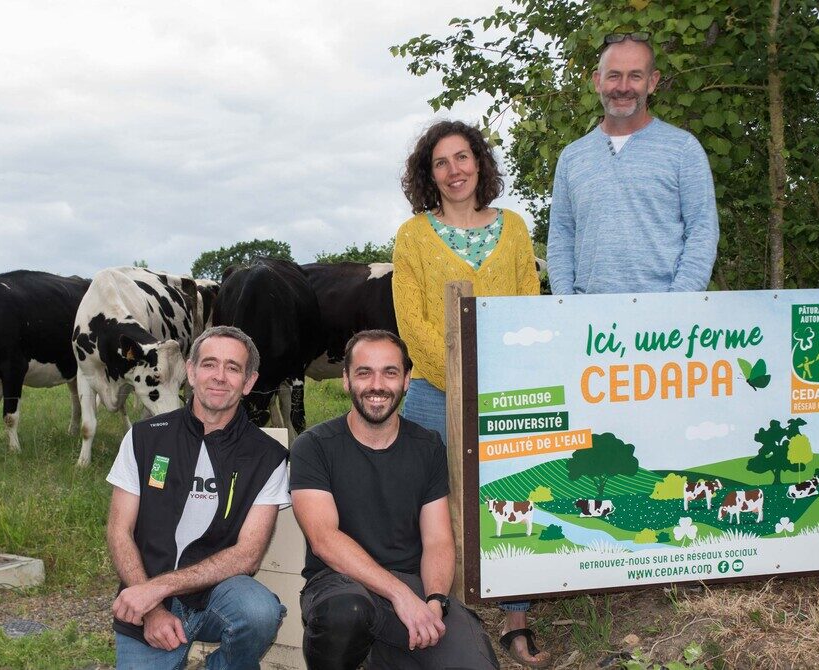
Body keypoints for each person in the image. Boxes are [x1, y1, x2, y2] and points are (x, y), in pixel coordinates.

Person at [392, 120, 547, 668]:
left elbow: (529, 301)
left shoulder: (515, 228)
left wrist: (500, 371)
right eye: (441, 162)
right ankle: (446, 615)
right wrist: (459, 373)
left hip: (508, 389)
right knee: (433, 501)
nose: (454, 170)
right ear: (427, 174)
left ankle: (517, 616)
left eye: (463, 157)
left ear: (479, 162)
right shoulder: (413, 236)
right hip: (435, 391)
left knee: (512, 492)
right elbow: (411, 323)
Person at [290, 330, 500, 670]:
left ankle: (384, 654)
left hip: (411, 582)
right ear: (345, 380)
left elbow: (438, 541)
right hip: (339, 583)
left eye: (389, 372)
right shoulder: (314, 446)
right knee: (347, 615)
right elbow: (323, 540)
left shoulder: (428, 446)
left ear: (406, 380)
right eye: (364, 372)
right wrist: (400, 596)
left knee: (477, 664)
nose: (377, 385)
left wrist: (433, 601)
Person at [105, 325, 290, 669]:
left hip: (214, 595)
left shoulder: (267, 456)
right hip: (147, 597)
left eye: (233, 368)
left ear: (249, 382)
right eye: (209, 364)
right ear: (190, 372)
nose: (219, 376)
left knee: (259, 611)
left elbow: (248, 555)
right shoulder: (145, 438)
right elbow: (119, 531)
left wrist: (158, 589)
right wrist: (151, 608)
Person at [546, 32, 720, 295]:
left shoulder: (682, 149)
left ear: (652, 82)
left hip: (662, 322)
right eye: (614, 75)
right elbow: (561, 236)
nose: (623, 86)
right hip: (588, 322)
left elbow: (702, 231)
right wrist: (566, 304)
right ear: (597, 81)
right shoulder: (572, 157)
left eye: (635, 76)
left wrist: (678, 304)